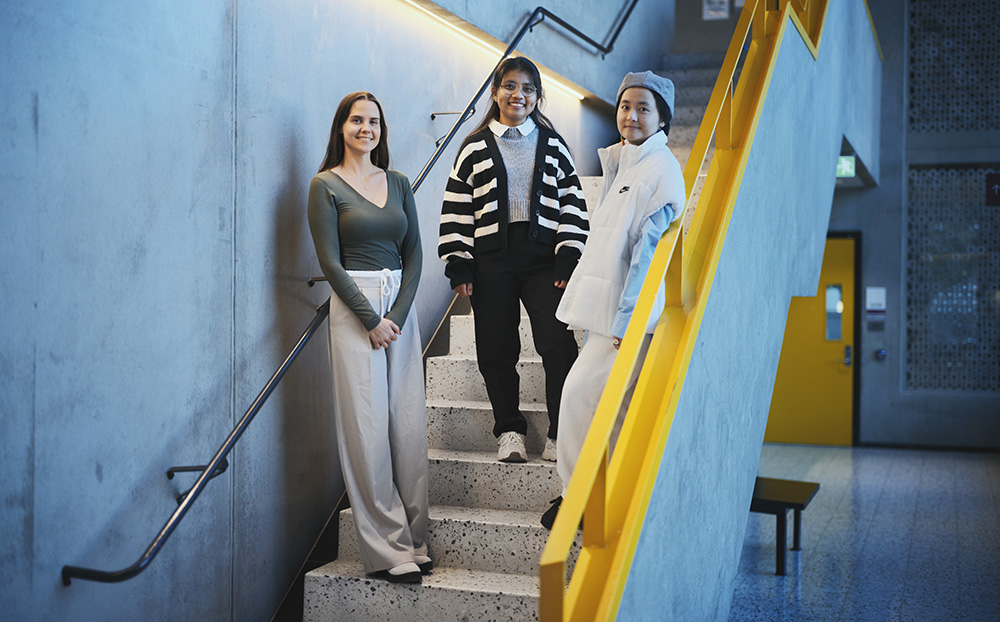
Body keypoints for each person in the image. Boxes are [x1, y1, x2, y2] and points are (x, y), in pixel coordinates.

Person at [541, 71, 686, 529]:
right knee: (582, 401)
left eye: (644, 108)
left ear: (662, 118)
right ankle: (581, 499)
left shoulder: (661, 169)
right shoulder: (624, 162)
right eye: (625, 106)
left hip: (629, 320)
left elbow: (648, 254)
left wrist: (628, 320)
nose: (632, 115)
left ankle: (582, 501)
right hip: (608, 315)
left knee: (582, 398)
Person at [439, 56, 589, 464]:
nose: (517, 94)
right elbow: (457, 207)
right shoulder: (473, 146)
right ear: (494, 92)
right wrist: (459, 263)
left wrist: (568, 254)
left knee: (558, 343)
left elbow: (573, 203)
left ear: (537, 96)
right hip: (491, 261)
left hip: (545, 262)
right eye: (509, 85)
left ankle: (560, 433)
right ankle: (509, 431)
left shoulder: (553, 144)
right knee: (495, 349)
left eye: (527, 88)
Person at [307, 91, 430, 583]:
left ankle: (416, 539)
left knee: (408, 423)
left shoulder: (397, 182)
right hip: (355, 306)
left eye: (374, 121)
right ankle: (386, 548)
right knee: (367, 426)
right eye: (356, 120)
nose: (366, 128)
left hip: (399, 307)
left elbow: (415, 254)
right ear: (341, 127)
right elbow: (330, 261)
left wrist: (395, 315)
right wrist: (369, 318)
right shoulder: (324, 185)